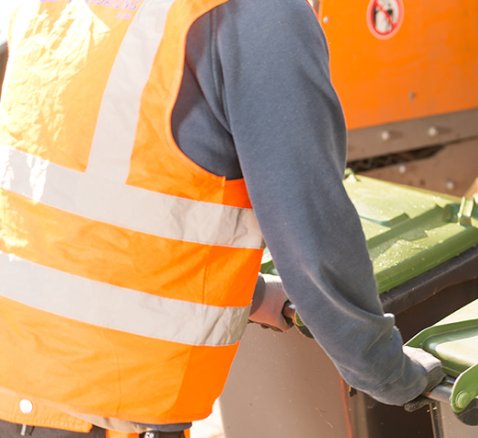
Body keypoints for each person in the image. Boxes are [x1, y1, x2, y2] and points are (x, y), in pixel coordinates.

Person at [0, 1, 443, 436]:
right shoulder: (261, 16)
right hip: (102, 403)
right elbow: (312, 233)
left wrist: (249, 296)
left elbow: (83, 201)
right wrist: (388, 372)